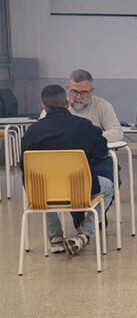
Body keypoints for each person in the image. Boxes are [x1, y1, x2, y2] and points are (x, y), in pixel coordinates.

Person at [20, 84, 114, 255]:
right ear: (67, 103)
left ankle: (55, 238)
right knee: (109, 187)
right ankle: (84, 234)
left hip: (41, 193)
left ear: (44, 106)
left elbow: (23, 165)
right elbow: (101, 150)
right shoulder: (84, 126)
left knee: (43, 185)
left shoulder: (32, 132)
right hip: (81, 189)